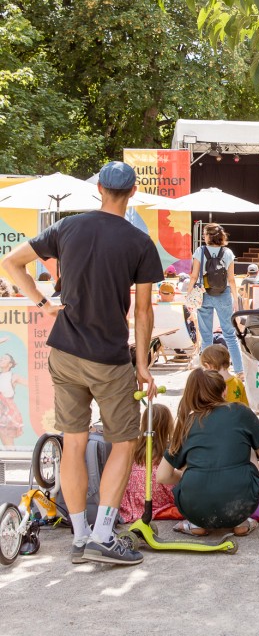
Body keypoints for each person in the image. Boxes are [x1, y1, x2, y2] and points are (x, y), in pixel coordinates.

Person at [2, 160, 163, 566]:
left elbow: (10, 262)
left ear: (99, 191)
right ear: (131, 193)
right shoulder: (139, 242)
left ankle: (79, 537)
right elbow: (143, 312)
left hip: (65, 353)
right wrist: (142, 364)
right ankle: (104, 536)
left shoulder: (68, 228)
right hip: (108, 358)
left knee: (72, 443)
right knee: (123, 443)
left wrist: (42, 305)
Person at [156, 368, 259, 536]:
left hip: (194, 508)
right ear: (224, 390)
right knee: (247, 449)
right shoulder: (241, 412)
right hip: (240, 505)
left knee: (196, 463)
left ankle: (195, 524)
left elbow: (162, 476)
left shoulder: (187, 421)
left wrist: (187, 476)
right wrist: (255, 468)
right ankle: (242, 522)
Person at [188, 223, 244, 376]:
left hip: (204, 294)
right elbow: (231, 279)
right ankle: (239, 371)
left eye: (205, 234)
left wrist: (188, 294)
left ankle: (208, 371)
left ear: (208, 236)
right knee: (230, 335)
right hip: (223, 294)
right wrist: (235, 299)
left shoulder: (200, 251)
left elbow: (194, 276)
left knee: (206, 336)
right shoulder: (227, 252)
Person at [119, 404, 176, 523]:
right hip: (157, 501)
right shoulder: (167, 452)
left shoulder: (136, 449)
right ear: (168, 426)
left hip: (134, 503)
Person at [0, 352, 26, 447]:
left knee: (8, 443)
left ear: (10, 364)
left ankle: (13, 461)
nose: (2, 359)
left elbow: (31, 385)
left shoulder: (13, 376)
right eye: (1, 358)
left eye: (5, 358)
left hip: (7, 412)